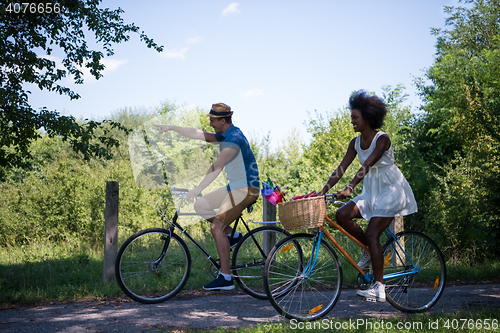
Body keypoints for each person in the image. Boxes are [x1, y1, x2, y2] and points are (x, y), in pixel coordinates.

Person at [317, 90, 417, 302]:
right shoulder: (354, 142)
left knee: (372, 233)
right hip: (372, 190)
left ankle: (379, 288)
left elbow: (368, 163)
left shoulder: (382, 140)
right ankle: (368, 251)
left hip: (391, 189)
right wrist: (323, 191)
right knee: (342, 215)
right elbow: (341, 168)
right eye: (351, 117)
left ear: (368, 118)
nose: (351, 121)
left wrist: (350, 188)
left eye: (355, 118)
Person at [154, 103, 260, 291]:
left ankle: (226, 278)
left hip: (245, 189)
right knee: (201, 205)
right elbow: (196, 133)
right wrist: (171, 127)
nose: (210, 124)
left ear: (223, 120)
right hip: (233, 187)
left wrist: (197, 188)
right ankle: (232, 235)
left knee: (216, 227)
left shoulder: (234, 139)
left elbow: (217, 167)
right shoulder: (225, 135)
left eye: (212, 120)